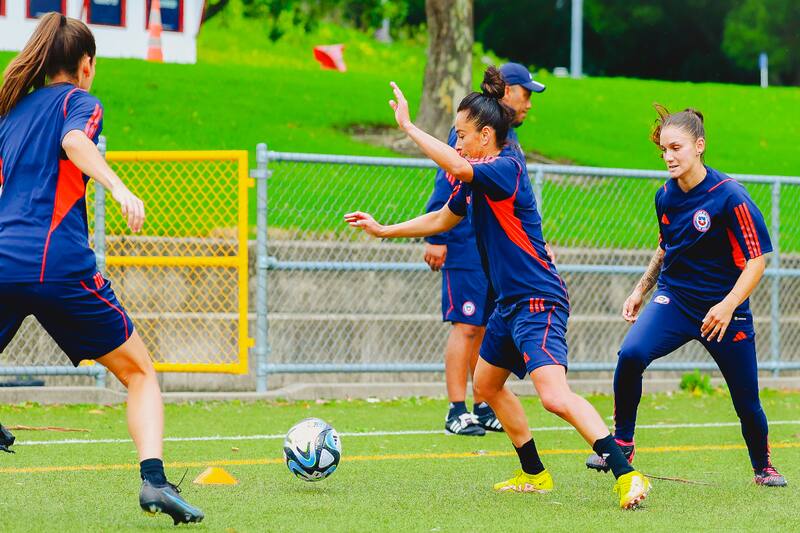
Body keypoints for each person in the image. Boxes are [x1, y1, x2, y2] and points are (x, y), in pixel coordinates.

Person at [345, 67, 652, 509]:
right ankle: (535, 473)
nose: (457, 144)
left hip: (538, 299)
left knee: (554, 397)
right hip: (509, 304)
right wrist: (384, 230)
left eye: (462, 135)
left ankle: (628, 475)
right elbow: (443, 218)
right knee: (486, 385)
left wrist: (409, 127)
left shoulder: (505, 168)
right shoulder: (477, 178)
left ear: (485, 136)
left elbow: (455, 165)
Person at [0, 14, 205, 523]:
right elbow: (74, 141)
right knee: (139, 373)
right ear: (86, 65)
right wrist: (119, 187)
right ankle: (154, 482)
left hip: (3, 261)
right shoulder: (79, 102)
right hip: (58, 266)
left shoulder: (10, 113)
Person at [585, 105, 787, 487]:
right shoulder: (664, 196)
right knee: (631, 354)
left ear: (699, 146)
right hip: (675, 301)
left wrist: (728, 305)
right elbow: (665, 246)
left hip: (724, 311)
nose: (668, 156)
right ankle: (623, 442)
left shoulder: (730, 196)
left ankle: (763, 467)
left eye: (676, 147)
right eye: (664, 149)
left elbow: (757, 261)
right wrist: (641, 289)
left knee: (747, 401)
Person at [423, 63, 544, 436]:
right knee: (466, 325)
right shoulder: (473, 130)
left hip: (492, 247)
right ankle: (456, 410)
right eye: (525, 94)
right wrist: (436, 238)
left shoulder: (506, 137)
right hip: (463, 242)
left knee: (485, 325)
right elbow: (450, 178)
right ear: (508, 91)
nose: (528, 103)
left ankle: (482, 404)